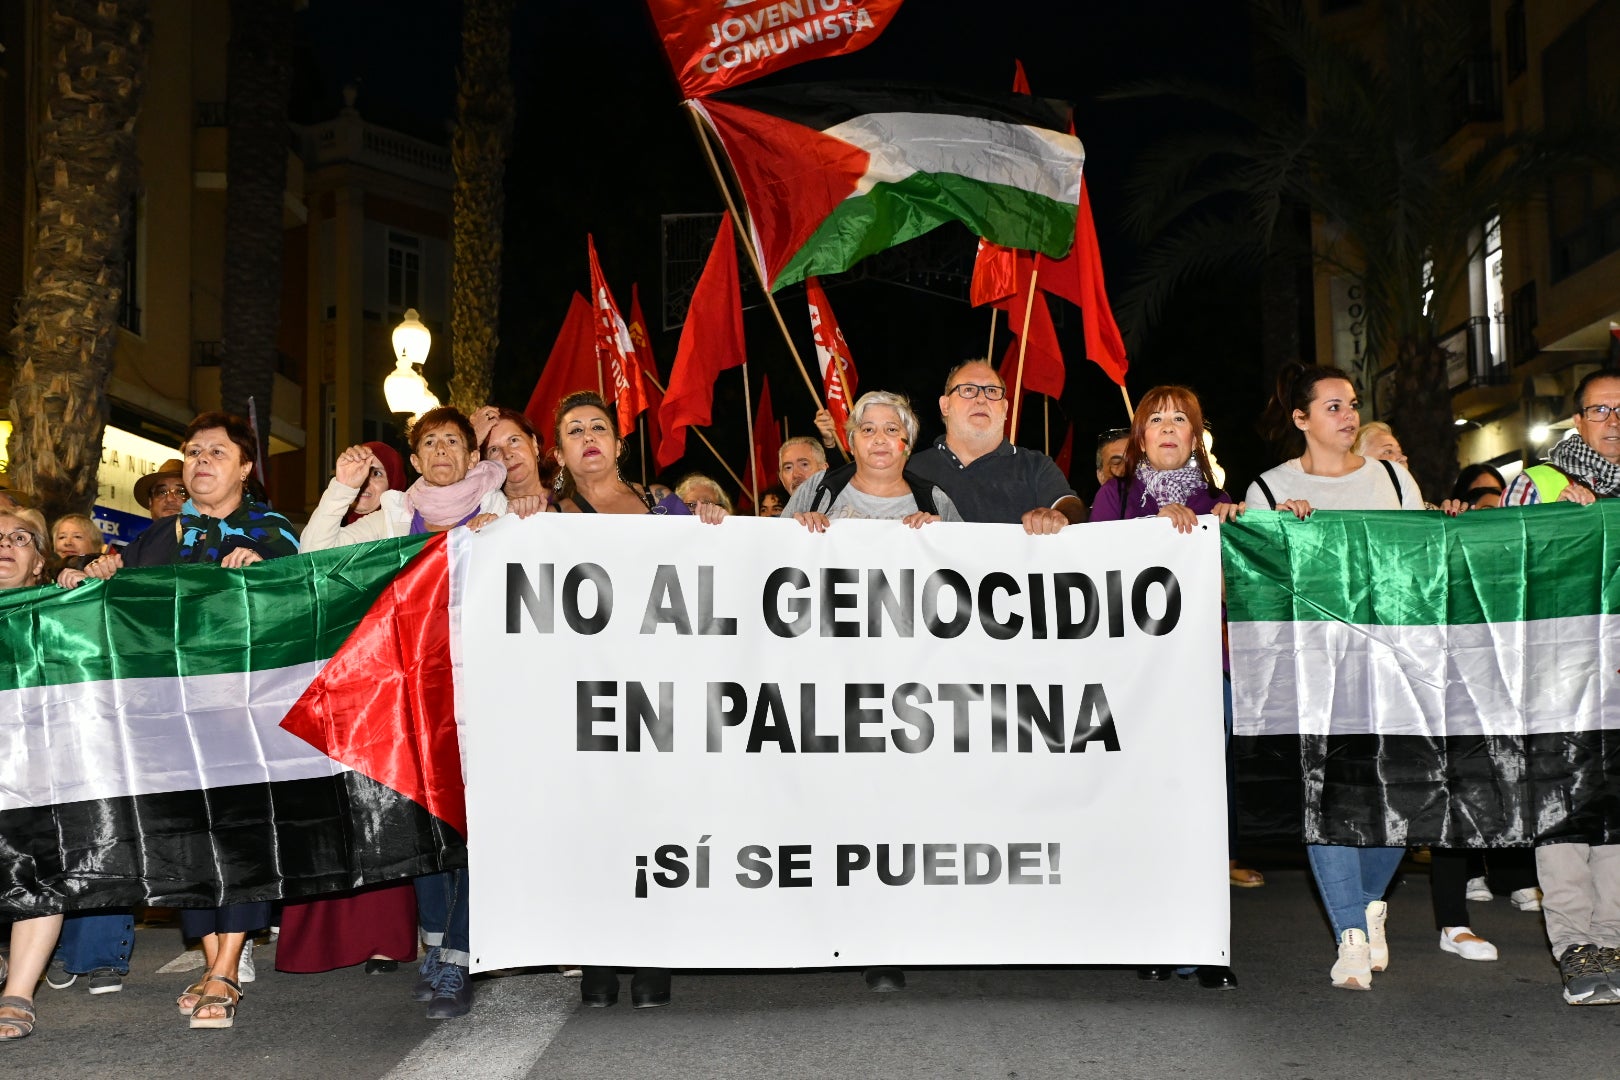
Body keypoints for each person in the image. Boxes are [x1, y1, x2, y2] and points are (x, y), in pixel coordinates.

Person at [303, 406, 533, 1020]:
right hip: (411, 691)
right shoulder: (396, 515)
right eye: (429, 441)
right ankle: (436, 947)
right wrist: (342, 486)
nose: (440, 450)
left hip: (487, 691)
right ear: (417, 455)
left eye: (452, 441)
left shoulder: (505, 510)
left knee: (476, 824)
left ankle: (457, 958)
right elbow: (315, 551)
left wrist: (511, 534)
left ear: (468, 454)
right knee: (425, 819)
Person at [73, 411, 301, 1029]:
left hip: (241, 709)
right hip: (169, 715)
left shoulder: (271, 530)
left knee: (238, 829)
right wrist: (100, 574)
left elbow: (297, 593)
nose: (202, 461)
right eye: (193, 451)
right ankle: (213, 960)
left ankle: (226, 968)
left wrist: (265, 570)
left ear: (245, 468)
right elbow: (124, 604)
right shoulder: (157, 538)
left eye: (217, 452)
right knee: (187, 837)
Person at [1243, 365, 1427, 991]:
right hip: (1313, 670)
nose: (1348, 416)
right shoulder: (1269, 489)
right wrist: (1276, 537)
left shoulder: (1395, 481)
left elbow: (1424, 565)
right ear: (1301, 419)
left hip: (1393, 664)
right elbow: (1250, 585)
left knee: (1401, 792)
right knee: (1328, 796)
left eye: (1352, 405)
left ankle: (1372, 901)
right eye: (1332, 407)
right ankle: (1350, 933)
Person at [555, 390, 723, 1011]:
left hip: (659, 692)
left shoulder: (663, 506)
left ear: (619, 443)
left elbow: (716, 570)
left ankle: (653, 955)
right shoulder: (542, 515)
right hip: (583, 694)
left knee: (656, 825)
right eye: (575, 430)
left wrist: (708, 526)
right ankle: (599, 956)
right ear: (560, 449)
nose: (589, 437)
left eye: (599, 426)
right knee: (595, 826)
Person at [1089, 386, 1249, 991]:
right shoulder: (1116, 495)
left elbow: (1243, 586)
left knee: (1208, 807)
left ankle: (1206, 945)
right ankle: (1152, 937)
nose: (1168, 427)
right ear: (1139, 435)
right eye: (1155, 419)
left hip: (1211, 672)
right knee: (1148, 807)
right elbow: (1094, 570)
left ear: (1195, 435)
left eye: (1180, 418)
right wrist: (1148, 531)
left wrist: (1234, 530)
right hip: (1138, 680)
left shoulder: (1220, 501)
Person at [1497, 369, 1620, 1004]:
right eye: (1601, 410)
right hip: (1557, 678)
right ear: (1577, 421)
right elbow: (1502, 567)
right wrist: (1553, 521)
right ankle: (1577, 945)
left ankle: (1613, 939)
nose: (1614, 420)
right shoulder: (1538, 483)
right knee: (1566, 813)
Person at [276, 441, 420, 982]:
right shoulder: (352, 523)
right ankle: (321, 941)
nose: (366, 481)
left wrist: (390, 499)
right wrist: (341, 486)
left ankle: (384, 938)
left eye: (376, 472)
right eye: (359, 473)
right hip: (335, 678)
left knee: (380, 808)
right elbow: (312, 552)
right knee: (327, 809)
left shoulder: (403, 518)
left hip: (389, 677)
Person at [0, 508, 66, 1041]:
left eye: (19, 539)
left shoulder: (62, 612)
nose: (5, 545)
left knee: (39, 873)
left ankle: (17, 994)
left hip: (36, 768)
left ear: (38, 561)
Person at [907, 359, 1086, 532]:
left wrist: (1058, 515)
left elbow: (1071, 506)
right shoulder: (910, 469)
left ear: (1006, 408)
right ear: (945, 405)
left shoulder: (1035, 466)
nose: (981, 399)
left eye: (992, 391)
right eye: (968, 390)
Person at [784, 391, 962, 531]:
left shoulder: (934, 500)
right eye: (868, 429)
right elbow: (773, 551)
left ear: (909, 445)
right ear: (852, 445)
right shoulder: (817, 488)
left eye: (892, 429)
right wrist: (796, 530)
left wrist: (944, 536)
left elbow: (966, 564)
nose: (879, 439)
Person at [473, 405, 557, 507]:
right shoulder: (483, 514)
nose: (507, 454)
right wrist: (472, 441)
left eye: (514, 440)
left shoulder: (572, 496)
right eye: (494, 450)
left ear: (534, 443)